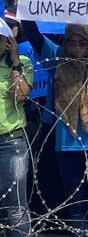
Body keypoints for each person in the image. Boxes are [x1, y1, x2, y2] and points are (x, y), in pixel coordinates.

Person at [16, 0, 88, 237]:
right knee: (75, 207)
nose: (77, 44)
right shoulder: (56, 57)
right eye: (72, 40)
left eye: (83, 40)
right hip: (68, 145)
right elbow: (32, 33)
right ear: (65, 40)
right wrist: (24, 3)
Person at [0, 21, 33, 237]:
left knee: (15, 206)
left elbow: (19, 96)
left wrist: (13, 63)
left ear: (8, 42)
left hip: (11, 142)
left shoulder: (23, 63)